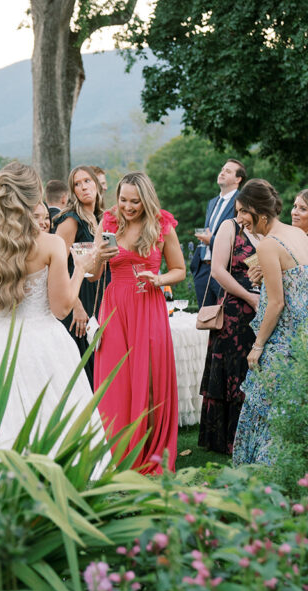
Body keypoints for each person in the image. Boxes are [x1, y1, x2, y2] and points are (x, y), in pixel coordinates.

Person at [0, 161, 100, 453]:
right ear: (34, 197)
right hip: (44, 343)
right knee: (53, 420)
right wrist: (81, 269)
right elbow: (62, 308)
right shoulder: (50, 244)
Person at [232, 180, 308, 466]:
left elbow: (276, 303)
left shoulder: (269, 244)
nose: (239, 220)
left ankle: (267, 473)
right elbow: (304, 285)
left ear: (259, 212)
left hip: (286, 341)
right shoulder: (297, 233)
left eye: (242, 213)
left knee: (269, 411)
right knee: (304, 409)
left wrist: (258, 346)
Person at [92, 171, 186, 473]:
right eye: (123, 200)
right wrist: (98, 257)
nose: (128, 207)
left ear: (145, 200)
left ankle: (148, 448)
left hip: (148, 303)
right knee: (115, 378)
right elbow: (94, 274)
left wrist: (159, 279)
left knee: (148, 374)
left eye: (134, 201)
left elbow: (180, 270)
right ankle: (116, 449)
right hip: (115, 307)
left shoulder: (162, 226)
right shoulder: (107, 222)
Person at [198, 215, 260, 455]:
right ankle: (226, 439)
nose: (243, 214)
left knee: (251, 368)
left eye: (248, 210)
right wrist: (248, 296)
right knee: (232, 368)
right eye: (241, 209)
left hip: (261, 307)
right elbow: (217, 271)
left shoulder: (265, 229)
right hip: (234, 309)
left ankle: (252, 434)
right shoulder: (230, 226)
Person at [53, 165, 104, 384]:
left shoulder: (102, 218)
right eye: (77, 184)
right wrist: (77, 306)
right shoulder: (71, 220)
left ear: (97, 185)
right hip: (77, 297)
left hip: (98, 294)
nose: (83, 187)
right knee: (81, 364)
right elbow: (57, 266)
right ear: (73, 192)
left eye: (87, 181)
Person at [190, 159, 247, 307]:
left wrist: (212, 240)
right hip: (203, 268)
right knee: (207, 320)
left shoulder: (242, 202)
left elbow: (242, 237)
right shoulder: (212, 202)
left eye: (228, 171)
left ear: (238, 179)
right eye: (222, 169)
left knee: (225, 319)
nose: (222, 173)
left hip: (225, 270)